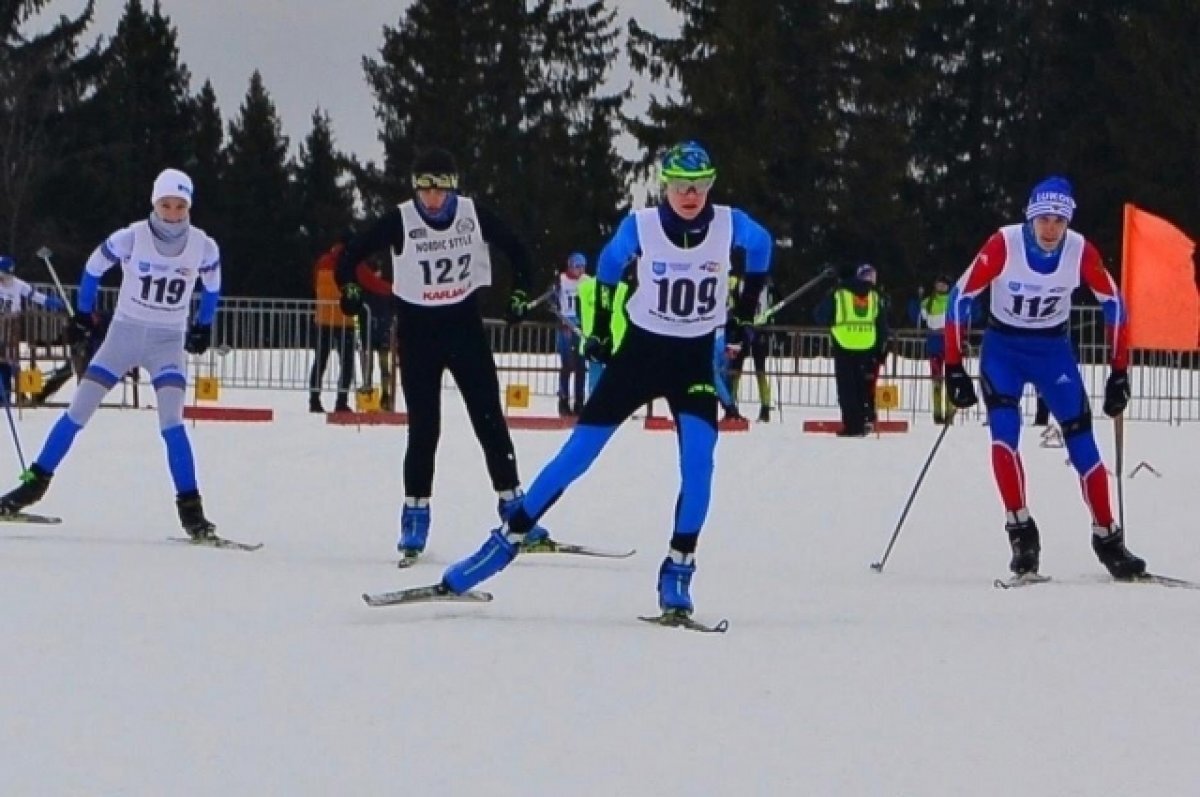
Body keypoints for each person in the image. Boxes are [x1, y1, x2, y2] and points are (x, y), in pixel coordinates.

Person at [437, 140, 773, 619]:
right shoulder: (642, 226)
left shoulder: (729, 224)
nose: (690, 195)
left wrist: (743, 313)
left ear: (711, 187)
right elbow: (610, 267)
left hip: (693, 361)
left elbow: (762, 247)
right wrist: (597, 331)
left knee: (700, 466)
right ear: (666, 186)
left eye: (699, 187)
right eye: (680, 186)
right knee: (578, 454)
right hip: (640, 355)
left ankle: (678, 569)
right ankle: (506, 541)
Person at [336, 147, 551, 565]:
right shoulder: (401, 219)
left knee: (489, 417)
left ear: (453, 188)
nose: (432, 199)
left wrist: (521, 294)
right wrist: (349, 289)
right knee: (424, 427)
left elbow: (518, 250)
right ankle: (415, 513)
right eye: (424, 189)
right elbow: (350, 254)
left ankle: (513, 505)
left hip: (464, 327)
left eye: (440, 189)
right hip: (418, 333)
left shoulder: (472, 214)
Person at [0, 168, 223, 539]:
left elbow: (213, 285)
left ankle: (192, 511)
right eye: (165, 204)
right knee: (78, 411)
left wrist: (203, 324)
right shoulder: (132, 237)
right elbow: (93, 267)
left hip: (167, 341)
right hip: (123, 336)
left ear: (189, 206)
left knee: (172, 422)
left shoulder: (204, 246)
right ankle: (33, 485)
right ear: (155, 203)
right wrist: (84, 313)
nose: (172, 213)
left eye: (180, 205)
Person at [943, 175, 1145, 580]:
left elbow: (1115, 304)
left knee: (1083, 443)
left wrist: (1119, 371)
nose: (1051, 229)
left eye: (1059, 220)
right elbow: (960, 295)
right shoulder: (1004, 243)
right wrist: (953, 365)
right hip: (1004, 350)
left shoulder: (1079, 250)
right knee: (1003, 436)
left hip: (1053, 352)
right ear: (1030, 218)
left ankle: (1108, 539)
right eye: (1044, 219)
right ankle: (1022, 534)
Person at [816, 264, 888, 437]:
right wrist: (881, 348)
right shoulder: (875, 295)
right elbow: (881, 324)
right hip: (867, 344)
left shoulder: (838, 294)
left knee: (847, 387)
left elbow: (820, 316)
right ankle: (866, 418)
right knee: (863, 385)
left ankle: (852, 425)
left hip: (843, 343)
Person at [0, 255, 68, 402]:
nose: (4, 278)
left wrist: (51, 302)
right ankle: (9, 393)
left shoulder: (18, 285)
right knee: (5, 363)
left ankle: (22, 393)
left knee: (12, 363)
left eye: (7, 275)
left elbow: (36, 296)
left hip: (11, 329)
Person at [309, 235, 357, 413]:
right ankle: (341, 401)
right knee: (347, 363)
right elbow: (367, 283)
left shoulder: (322, 262)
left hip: (323, 319)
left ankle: (314, 399)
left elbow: (315, 285)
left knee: (320, 361)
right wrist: (390, 289)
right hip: (345, 320)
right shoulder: (351, 262)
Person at [726, 273, 774, 422]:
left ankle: (764, 408)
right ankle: (732, 406)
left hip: (755, 329)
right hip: (746, 330)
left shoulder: (766, 285)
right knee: (736, 370)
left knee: (757, 370)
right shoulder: (761, 284)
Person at [577, 267, 629, 398]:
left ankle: (594, 403)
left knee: (595, 377)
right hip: (616, 341)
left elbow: (578, 313)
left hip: (591, 339)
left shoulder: (584, 287)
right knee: (616, 377)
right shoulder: (622, 289)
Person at [554, 252, 587, 415]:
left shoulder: (587, 281)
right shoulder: (560, 281)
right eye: (577, 267)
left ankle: (579, 401)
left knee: (581, 366)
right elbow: (552, 301)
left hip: (581, 327)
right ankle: (563, 400)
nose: (579, 271)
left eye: (582, 267)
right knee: (567, 366)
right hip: (565, 325)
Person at [919, 274, 954, 424]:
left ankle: (949, 411)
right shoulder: (928, 302)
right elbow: (922, 317)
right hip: (935, 345)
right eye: (939, 284)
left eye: (944, 285)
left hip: (949, 345)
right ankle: (937, 412)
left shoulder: (953, 301)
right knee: (937, 380)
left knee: (951, 379)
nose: (941, 287)